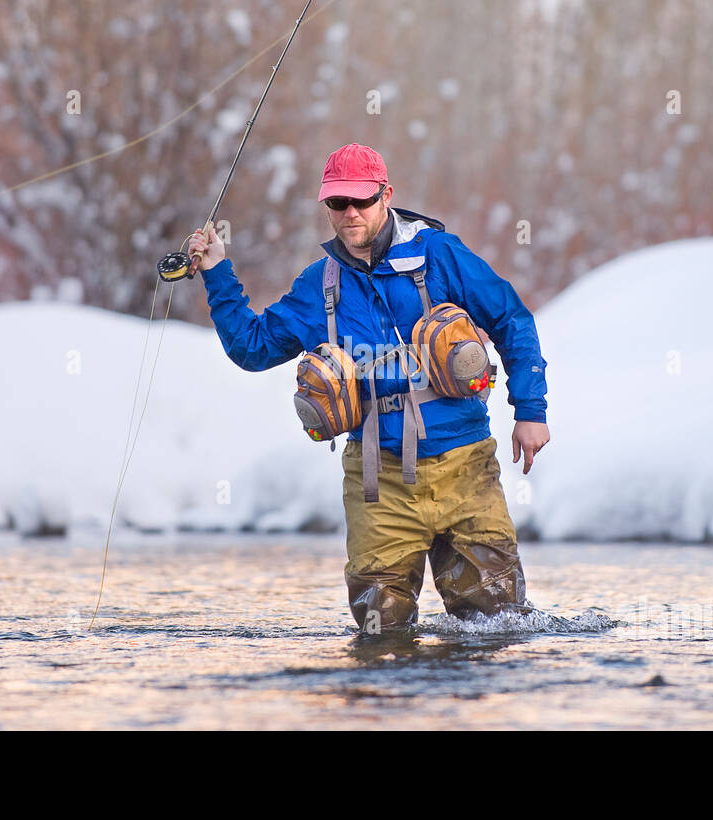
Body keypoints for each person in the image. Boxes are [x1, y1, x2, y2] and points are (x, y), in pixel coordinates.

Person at [189, 143, 550, 632]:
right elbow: (252, 348)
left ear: (387, 195)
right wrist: (215, 272)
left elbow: (512, 320)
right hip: (377, 482)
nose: (351, 213)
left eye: (362, 200)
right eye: (338, 203)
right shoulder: (320, 285)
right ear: (327, 207)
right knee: (382, 633)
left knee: (498, 625)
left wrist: (530, 410)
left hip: (466, 465)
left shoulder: (439, 255)